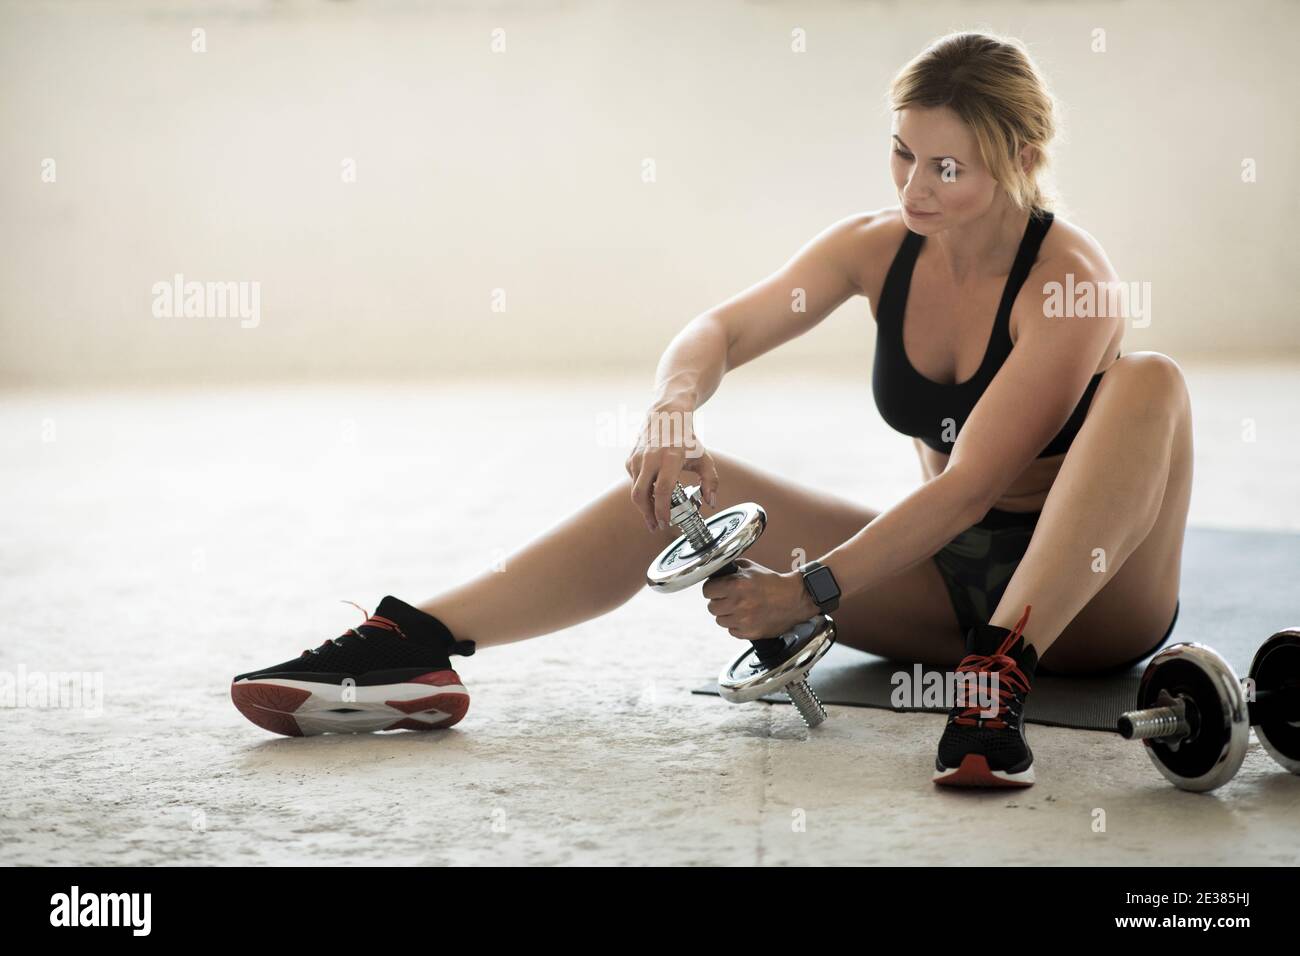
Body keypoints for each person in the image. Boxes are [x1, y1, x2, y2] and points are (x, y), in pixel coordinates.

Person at [232, 31, 1191, 790]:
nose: (913, 190)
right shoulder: (876, 247)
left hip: (1091, 602)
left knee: (1152, 380)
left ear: (1021, 160)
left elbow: (976, 485)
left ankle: (995, 683)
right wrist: (672, 410)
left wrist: (806, 592)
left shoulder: (1069, 282)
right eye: (903, 155)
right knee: (693, 477)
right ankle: (417, 642)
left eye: (948, 169)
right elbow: (720, 328)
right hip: (944, 592)